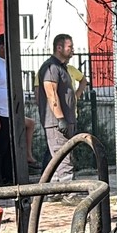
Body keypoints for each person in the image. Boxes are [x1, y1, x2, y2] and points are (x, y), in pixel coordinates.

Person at [0, 34, 39, 186]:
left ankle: (8, 179)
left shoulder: (9, 64)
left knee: (10, 148)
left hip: (12, 114)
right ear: (1, 47)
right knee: (0, 148)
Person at [37, 33, 78, 190]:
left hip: (66, 120)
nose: (72, 50)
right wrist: (60, 118)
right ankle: (70, 192)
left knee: (58, 158)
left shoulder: (62, 68)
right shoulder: (51, 67)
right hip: (56, 122)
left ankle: (55, 191)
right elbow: (51, 93)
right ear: (59, 47)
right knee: (64, 157)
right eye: (69, 47)